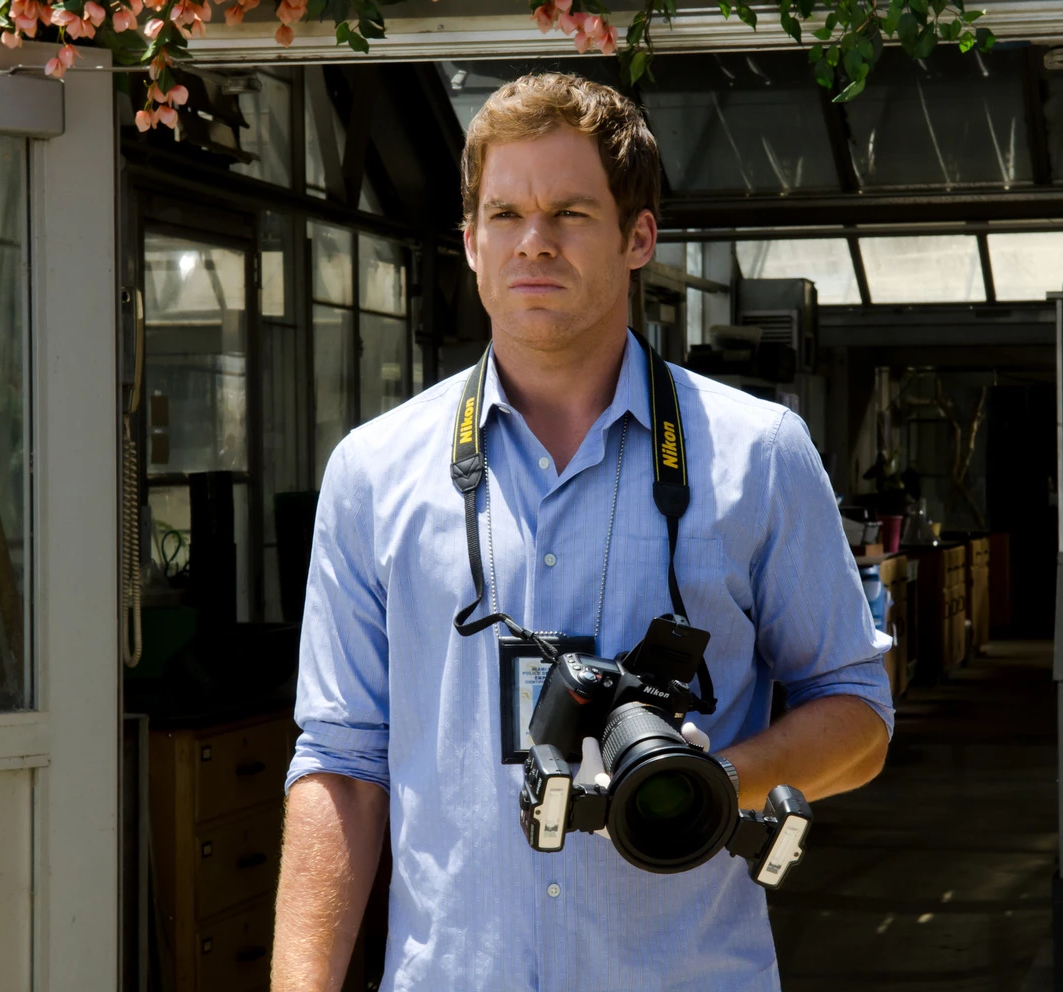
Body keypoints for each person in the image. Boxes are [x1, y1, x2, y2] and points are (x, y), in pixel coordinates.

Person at [271, 71, 893, 992]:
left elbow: (860, 717)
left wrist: (710, 779)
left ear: (638, 237)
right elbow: (340, 762)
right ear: (470, 243)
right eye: (505, 214)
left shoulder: (759, 454)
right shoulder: (373, 471)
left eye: (569, 212)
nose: (534, 241)